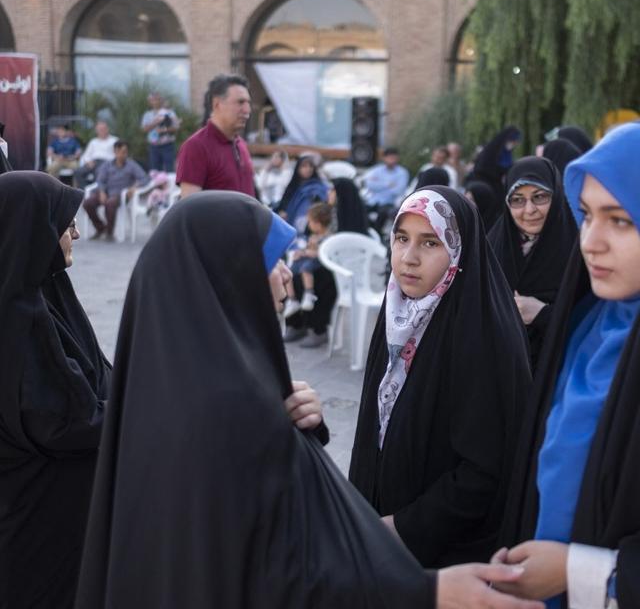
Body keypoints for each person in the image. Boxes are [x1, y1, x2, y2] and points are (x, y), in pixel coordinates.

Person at [73, 190, 543, 609]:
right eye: (271, 260)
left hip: (436, 542)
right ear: (229, 275)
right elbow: (273, 566)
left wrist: (297, 429)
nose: (286, 276)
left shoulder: (200, 381)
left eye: (430, 242)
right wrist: (416, 586)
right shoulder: (213, 410)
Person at [493, 122, 640, 608]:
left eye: (620, 220)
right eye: (585, 216)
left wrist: (581, 572)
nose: (591, 241)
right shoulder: (588, 326)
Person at [349, 186, 532, 568]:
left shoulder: (483, 333)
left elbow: (484, 471)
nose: (408, 258)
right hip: (381, 534)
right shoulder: (399, 314)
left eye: (430, 243)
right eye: (401, 239)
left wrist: (402, 526)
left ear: (459, 252)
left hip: (448, 557)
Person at [0, 171, 111, 608]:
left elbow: (97, 372)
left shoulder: (45, 292)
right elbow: (64, 420)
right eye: (65, 223)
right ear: (34, 229)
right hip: (38, 520)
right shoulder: (14, 320)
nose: (77, 233)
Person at [488, 156, 577, 369]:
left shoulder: (579, 248)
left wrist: (543, 314)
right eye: (517, 199)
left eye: (540, 197)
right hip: (501, 375)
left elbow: (592, 324)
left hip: (559, 372)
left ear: (556, 196)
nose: (529, 210)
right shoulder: (493, 246)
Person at [177, 74, 255, 198]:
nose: (247, 110)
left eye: (248, 103)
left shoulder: (240, 144)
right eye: (240, 102)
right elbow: (189, 209)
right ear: (217, 104)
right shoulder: (196, 147)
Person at [83, 140, 149, 241]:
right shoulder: (107, 165)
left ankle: (109, 233)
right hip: (106, 191)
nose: (122, 154)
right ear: (115, 152)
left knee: (110, 203)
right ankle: (101, 228)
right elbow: (100, 180)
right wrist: (101, 192)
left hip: (121, 195)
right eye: (120, 152)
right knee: (87, 203)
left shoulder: (131, 165)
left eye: (124, 152)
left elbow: (145, 178)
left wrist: (135, 186)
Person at [284, 202, 333, 317]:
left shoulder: (327, 237)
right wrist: (301, 253)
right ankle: (292, 299)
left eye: (310, 222)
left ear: (318, 223)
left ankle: (309, 292)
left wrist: (308, 252)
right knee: (289, 271)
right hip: (309, 259)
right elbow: (308, 250)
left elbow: (322, 253)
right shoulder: (313, 236)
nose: (308, 225)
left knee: (305, 269)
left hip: (318, 262)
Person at [362, 147, 410, 234]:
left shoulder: (402, 172)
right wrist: (388, 184)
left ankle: (377, 234)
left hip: (390, 202)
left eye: (393, 157)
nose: (391, 160)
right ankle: (366, 231)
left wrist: (379, 184)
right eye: (389, 157)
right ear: (384, 158)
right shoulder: (376, 170)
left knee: (383, 213)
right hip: (373, 201)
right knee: (361, 209)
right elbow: (370, 185)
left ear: (397, 158)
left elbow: (398, 190)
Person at [277, 155, 329, 235]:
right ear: (298, 169)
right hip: (288, 225)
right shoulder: (293, 186)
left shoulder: (318, 187)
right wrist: (282, 212)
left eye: (310, 166)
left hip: (310, 227)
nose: (308, 169)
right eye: (304, 166)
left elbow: (321, 206)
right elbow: (283, 204)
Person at [473, 125, 522, 202]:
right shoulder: (491, 151)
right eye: (513, 141)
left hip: (497, 185)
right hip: (486, 184)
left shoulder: (506, 153)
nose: (514, 144)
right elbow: (481, 169)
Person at [141, 92, 181, 172]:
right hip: (153, 146)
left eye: (158, 99)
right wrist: (155, 123)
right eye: (153, 100)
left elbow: (176, 127)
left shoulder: (170, 113)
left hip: (167, 145)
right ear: (150, 102)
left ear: (161, 100)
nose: (155, 102)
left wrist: (164, 130)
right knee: (155, 170)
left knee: (169, 169)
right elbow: (144, 129)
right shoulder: (147, 115)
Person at [73, 121, 119, 189]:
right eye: (100, 129)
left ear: (107, 129)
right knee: (78, 172)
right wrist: (88, 162)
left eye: (103, 129)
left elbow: (118, 155)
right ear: (96, 131)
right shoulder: (93, 142)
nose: (102, 131)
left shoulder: (114, 140)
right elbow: (86, 155)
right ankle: (84, 191)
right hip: (93, 162)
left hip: (107, 163)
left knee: (99, 172)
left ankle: (97, 192)